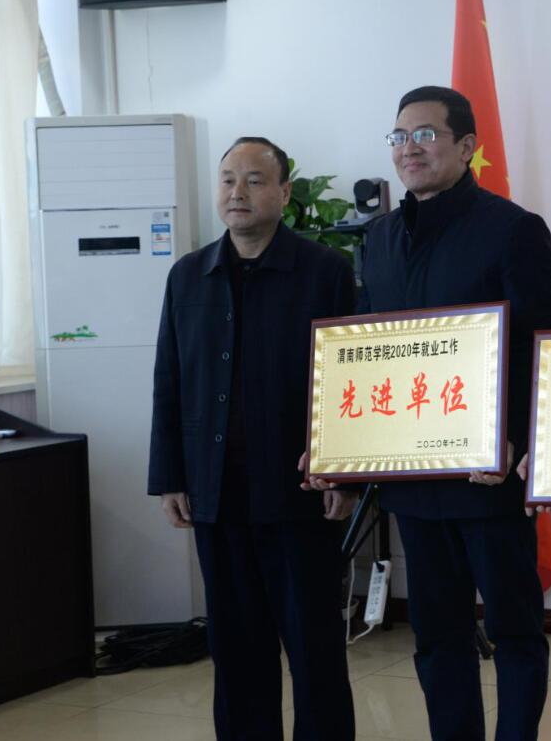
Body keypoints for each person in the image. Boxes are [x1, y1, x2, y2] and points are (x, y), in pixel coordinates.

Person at [348, 85, 551, 741]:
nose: (409, 149)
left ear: (467, 146)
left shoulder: (513, 229)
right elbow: (368, 353)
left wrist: (516, 440)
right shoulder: (378, 238)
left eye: (426, 135)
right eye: (399, 137)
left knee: (514, 629)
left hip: (488, 475)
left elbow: (540, 346)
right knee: (438, 636)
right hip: (413, 479)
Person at [149, 136, 357, 741]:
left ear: (285, 193)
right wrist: (170, 476)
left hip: (298, 496)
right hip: (216, 495)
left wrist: (344, 472)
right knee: (237, 652)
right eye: (227, 180)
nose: (237, 192)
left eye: (255, 180)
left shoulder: (325, 271)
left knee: (315, 651)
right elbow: (169, 380)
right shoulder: (188, 275)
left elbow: (348, 379)